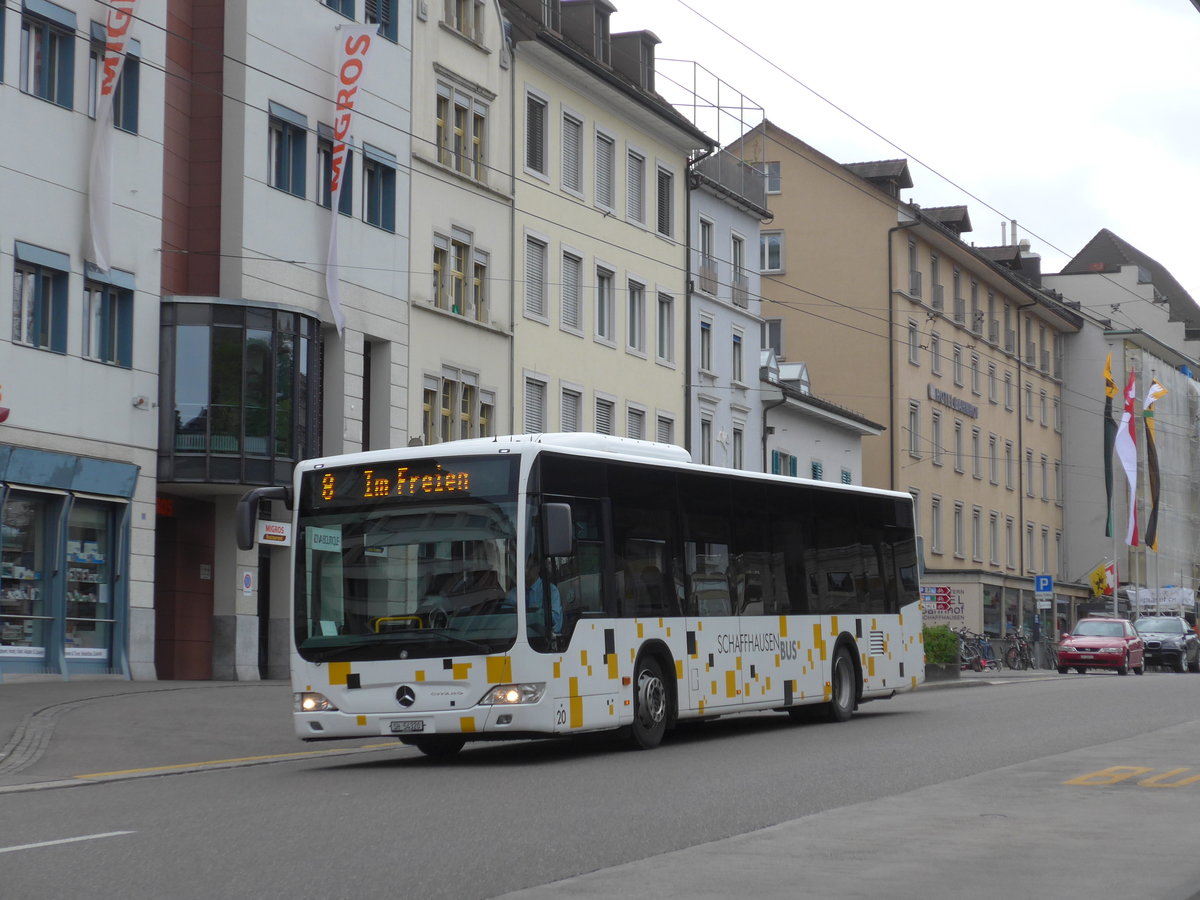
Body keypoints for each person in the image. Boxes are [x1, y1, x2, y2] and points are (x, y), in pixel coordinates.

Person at [508, 555, 562, 636]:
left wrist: (537, 616)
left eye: (530, 567)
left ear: (538, 568)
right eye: (524, 567)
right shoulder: (513, 594)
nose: (526, 571)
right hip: (516, 639)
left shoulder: (550, 590)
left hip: (543, 641)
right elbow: (505, 619)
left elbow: (556, 622)